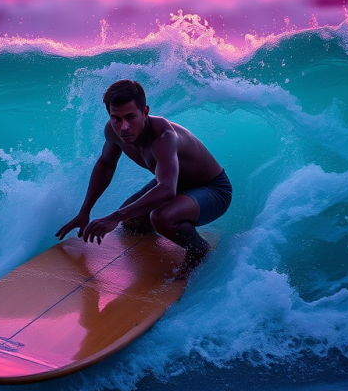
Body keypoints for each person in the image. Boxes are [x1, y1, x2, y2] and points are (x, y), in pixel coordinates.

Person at [55, 79, 232, 277]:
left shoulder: (163, 136)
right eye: (116, 118)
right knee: (131, 221)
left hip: (212, 189)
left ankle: (198, 250)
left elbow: (166, 189)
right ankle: (168, 232)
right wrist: (85, 211)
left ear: (145, 112)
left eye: (131, 117)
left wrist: (115, 216)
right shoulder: (113, 131)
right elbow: (106, 165)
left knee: (161, 217)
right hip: (175, 184)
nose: (123, 127)